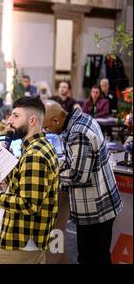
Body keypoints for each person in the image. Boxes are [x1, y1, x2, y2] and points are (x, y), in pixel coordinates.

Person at [43, 100, 123, 264]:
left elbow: (78, 176)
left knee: (89, 258)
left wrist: (52, 172)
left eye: (46, 127)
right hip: (104, 201)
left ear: (56, 120)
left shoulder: (78, 133)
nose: (46, 131)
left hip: (95, 209)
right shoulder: (83, 118)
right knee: (101, 255)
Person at [0, 97, 59, 264]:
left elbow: (28, 204)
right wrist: (10, 163)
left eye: (16, 116)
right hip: (30, 240)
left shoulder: (34, 155)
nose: (9, 120)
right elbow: (25, 183)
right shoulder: (40, 146)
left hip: (21, 241)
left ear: (32, 120)